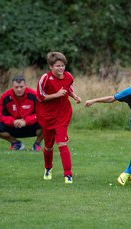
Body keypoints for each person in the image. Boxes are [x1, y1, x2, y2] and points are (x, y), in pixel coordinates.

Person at [36, 51, 81, 184]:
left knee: (62, 142)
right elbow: (40, 97)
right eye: (57, 66)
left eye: (62, 65)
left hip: (63, 114)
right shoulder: (45, 78)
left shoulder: (68, 76)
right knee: (49, 146)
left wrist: (75, 96)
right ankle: (48, 168)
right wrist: (56, 94)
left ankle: (68, 175)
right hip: (47, 116)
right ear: (51, 67)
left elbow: (69, 88)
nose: (61, 68)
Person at [0, 75, 43, 151]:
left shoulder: (34, 95)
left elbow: (41, 114)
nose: (19, 89)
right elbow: (0, 115)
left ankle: (36, 145)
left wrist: (26, 121)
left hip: (30, 126)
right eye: (16, 87)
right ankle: (16, 144)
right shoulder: (5, 97)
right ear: (12, 87)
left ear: (25, 86)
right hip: (13, 127)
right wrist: (12, 121)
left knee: (48, 122)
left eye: (21, 87)